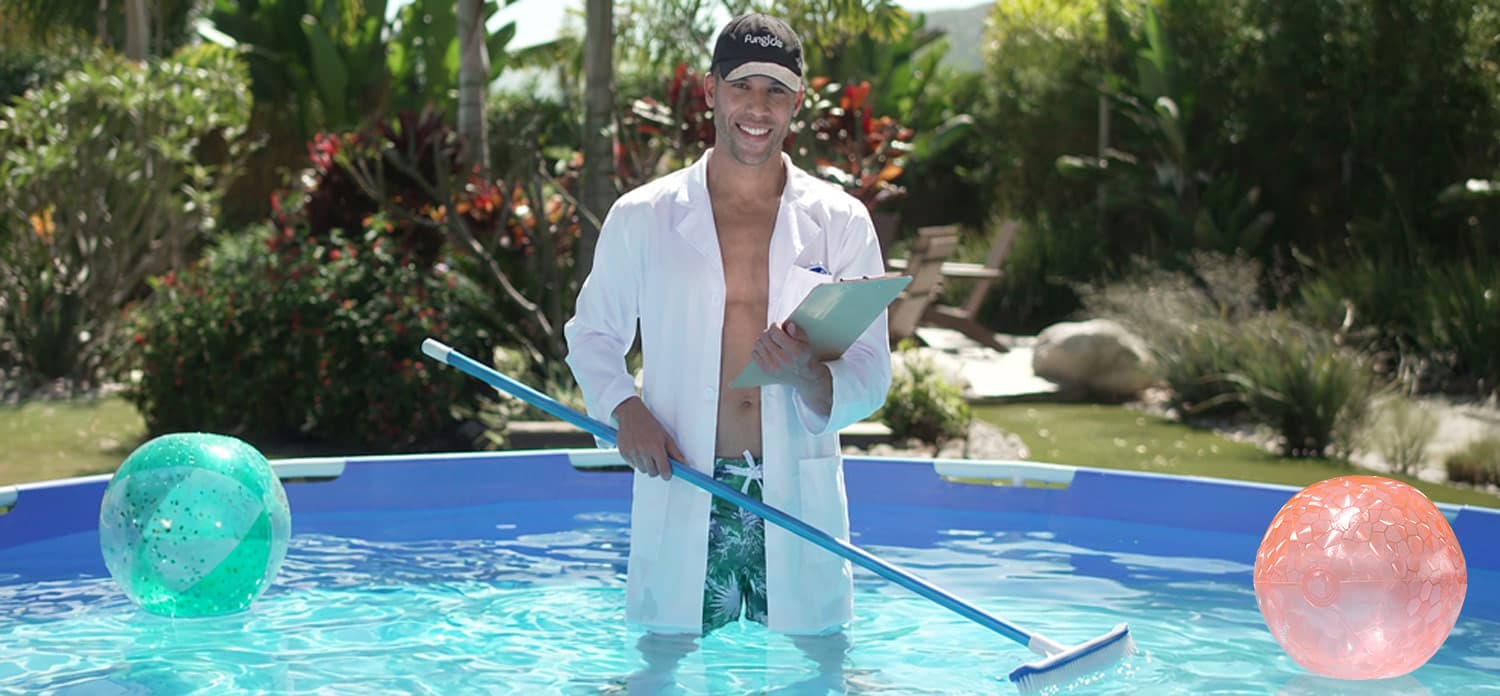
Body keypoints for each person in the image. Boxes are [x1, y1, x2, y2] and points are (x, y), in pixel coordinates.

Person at [564, 11, 892, 688]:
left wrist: (810, 377)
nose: (757, 107)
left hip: (794, 490)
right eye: (743, 85)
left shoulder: (839, 221)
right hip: (686, 480)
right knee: (659, 669)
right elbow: (593, 335)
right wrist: (624, 408)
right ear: (711, 90)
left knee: (822, 671)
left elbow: (870, 369)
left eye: (776, 91)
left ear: (797, 103)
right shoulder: (643, 216)